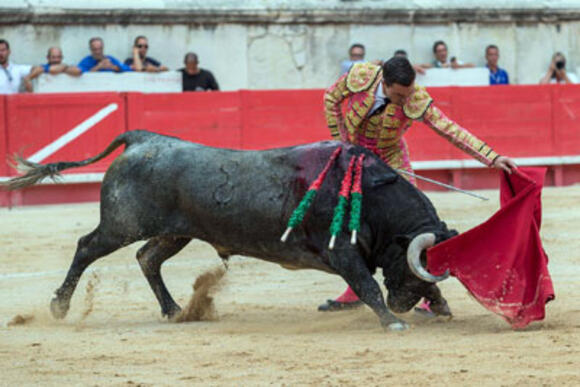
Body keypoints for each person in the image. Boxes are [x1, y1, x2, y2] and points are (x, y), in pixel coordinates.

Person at [319, 56, 517, 313]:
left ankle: (429, 296)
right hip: (355, 158)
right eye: (400, 95)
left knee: (414, 225)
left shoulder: (416, 97)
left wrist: (491, 157)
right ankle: (356, 287)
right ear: (385, 82)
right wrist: (342, 142)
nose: (405, 100)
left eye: (408, 93)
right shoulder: (361, 77)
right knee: (351, 221)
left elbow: (449, 129)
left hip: (392, 158)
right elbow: (330, 99)